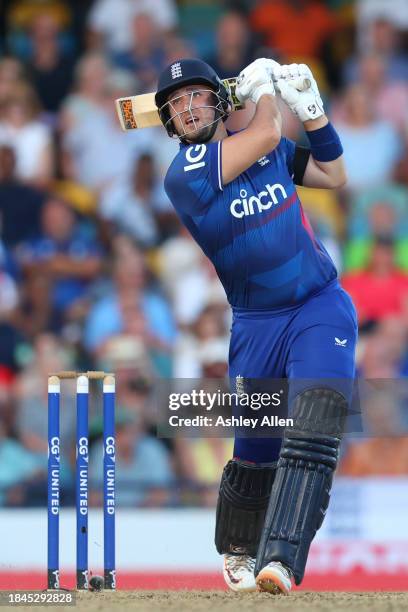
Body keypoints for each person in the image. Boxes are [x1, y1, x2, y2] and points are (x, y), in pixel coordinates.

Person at [152, 58, 357, 595]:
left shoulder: (269, 154)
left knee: (316, 424)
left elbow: (335, 175)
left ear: (219, 101)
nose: (187, 109)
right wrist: (268, 88)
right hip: (255, 326)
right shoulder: (186, 173)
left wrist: (312, 110)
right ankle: (239, 549)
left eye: (196, 96)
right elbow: (266, 129)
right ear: (169, 122)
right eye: (176, 104)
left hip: (318, 306)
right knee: (256, 451)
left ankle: (282, 561)